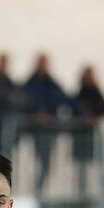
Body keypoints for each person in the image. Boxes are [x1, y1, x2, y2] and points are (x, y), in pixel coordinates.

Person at [22, 54, 71, 195]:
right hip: (36, 131)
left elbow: (64, 99)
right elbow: (24, 101)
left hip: (49, 131)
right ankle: (36, 191)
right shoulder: (31, 83)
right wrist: (35, 115)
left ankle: (39, 190)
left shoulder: (51, 83)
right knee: (38, 161)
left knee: (46, 163)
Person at [72, 66, 104, 198]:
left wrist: (94, 118)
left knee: (98, 165)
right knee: (82, 167)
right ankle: (82, 192)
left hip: (92, 136)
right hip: (82, 136)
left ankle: (101, 190)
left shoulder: (96, 92)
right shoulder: (80, 93)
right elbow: (73, 109)